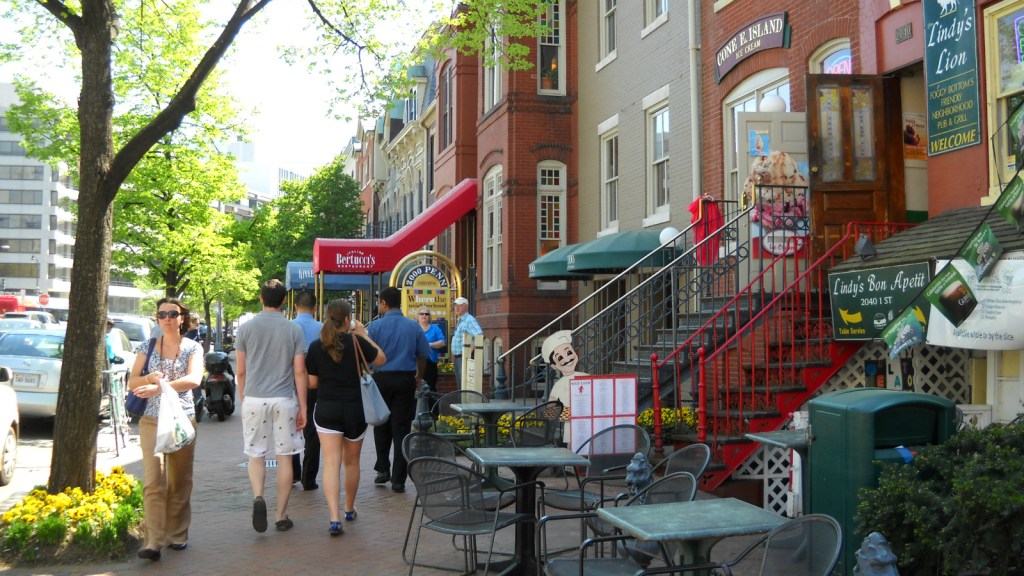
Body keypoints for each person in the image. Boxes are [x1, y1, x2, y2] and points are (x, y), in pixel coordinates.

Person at [128, 298, 203, 561]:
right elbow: (132, 381)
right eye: (163, 314)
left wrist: (160, 386)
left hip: (182, 420)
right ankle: (153, 541)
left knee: (180, 480)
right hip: (151, 419)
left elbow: (194, 379)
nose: (168, 318)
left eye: (173, 313)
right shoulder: (147, 346)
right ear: (156, 318)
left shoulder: (193, 347)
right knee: (153, 482)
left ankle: (178, 534)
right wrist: (149, 378)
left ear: (182, 317)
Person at [305, 299, 386, 536]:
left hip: (327, 409)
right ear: (348, 319)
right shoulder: (356, 341)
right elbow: (381, 359)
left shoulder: (316, 346)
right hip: (355, 409)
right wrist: (363, 333)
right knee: (351, 462)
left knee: (330, 463)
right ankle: (349, 508)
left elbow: (312, 383)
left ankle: (334, 518)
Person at [235, 279, 308, 533]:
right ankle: (280, 515)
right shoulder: (293, 330)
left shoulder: (245, 329)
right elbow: (299, 372)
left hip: (254, 398)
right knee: (285, 457)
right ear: (285, 301)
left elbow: (241, 371)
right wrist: (303, 407)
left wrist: (244, 400)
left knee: (255, 454)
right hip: (284, 400)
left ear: (260, 298)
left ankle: (258, 496)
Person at [366, 286, 430, 493]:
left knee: (380, 423)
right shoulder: (413, 327)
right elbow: (423, 355)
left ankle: (382, 468)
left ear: (384, 303)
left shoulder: (375, 327)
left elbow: (367, 355)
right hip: (405, 379)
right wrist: (419, 376)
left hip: (381, 379)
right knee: (401, 428)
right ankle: (398, 479)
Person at [292, 290, 323, 491]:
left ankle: (293, 472)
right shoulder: (323, 329)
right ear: (315, 308)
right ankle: (308, 478)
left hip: (291, 384)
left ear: (296, 307)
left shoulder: (288, 328)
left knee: (291, 428)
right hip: (315, 384)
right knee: (313, 430)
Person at [416, 305, 446, 408]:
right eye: (422, 314)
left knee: (431, 387)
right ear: (418, 316)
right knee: (416, 388)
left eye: (426, 314)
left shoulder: (435, 328)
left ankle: (432, 413)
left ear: (429, 316)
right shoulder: (414, 328)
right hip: (416, 363)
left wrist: (429, 344)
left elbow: (442, 342)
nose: (424, 316)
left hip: (430, 363)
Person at [449, 296, 482, 388]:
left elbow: (479, 335)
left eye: (460, 305)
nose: (457, 308)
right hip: (458, 358)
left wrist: (467, 353)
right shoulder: (460, 320)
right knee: (460, 385)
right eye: (455, 306)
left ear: (466, 307)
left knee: (464, 386)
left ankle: (464, 403)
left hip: (463, 358)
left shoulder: (469, 320)